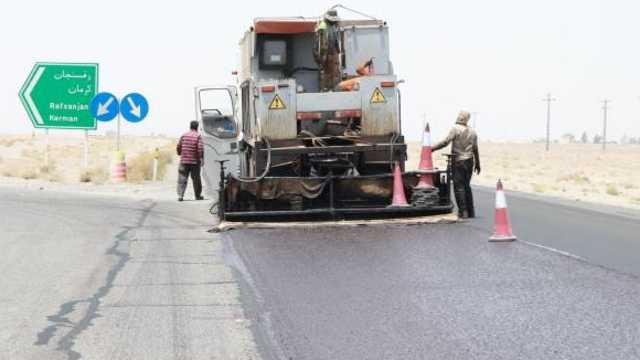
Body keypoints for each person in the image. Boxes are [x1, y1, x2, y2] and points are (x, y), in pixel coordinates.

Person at [432, 111, 481, 218]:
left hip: (458, 161)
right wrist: (478, 164)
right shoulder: (473, 132)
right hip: (469, 161)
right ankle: (471, 212)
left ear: (461, 118)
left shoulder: (455, 129)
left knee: (459, 187)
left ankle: (463, 212)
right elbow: (475, 149)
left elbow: (445, 142)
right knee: (467, 186)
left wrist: (432, 149)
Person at [176, 121, 204, 201]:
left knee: (182, 178)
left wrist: (179, 153)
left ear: (190, 126)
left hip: (184, 161)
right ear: (197, 127)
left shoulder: (184, 135)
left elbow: (178, 146)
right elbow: (200, 148)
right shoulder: (198, 136)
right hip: (194, 162)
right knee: (196, 179)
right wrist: (201, 159)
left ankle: (180, 195)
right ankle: (197, 196)